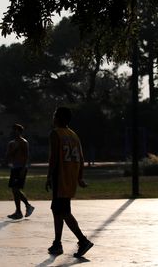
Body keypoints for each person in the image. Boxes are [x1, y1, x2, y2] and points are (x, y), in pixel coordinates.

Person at [45, 107, 94, 258]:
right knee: (57, 209)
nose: (53, 117)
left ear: (58, 118)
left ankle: (83, 240)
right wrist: (79, 177)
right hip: (70, 177)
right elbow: (81, 158)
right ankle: (57, 243)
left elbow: (54, 157)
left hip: (60, 176)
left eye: (54, 115)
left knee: (64, 212)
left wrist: (49, 176)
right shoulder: (74, 135)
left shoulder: (56, 133)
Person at [5, 123, 34, 219]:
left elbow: (26, 156)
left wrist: (23, 168)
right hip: (14, 167)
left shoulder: (24, 142)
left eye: (15, 130)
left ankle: (21, 210)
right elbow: (8, 156)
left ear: (19, 131)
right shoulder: (11, 143)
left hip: (21, 167)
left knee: (15, 189)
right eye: (13, 130)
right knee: (15, 190)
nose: (13, 132)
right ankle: (23, 209)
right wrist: (14, 150)